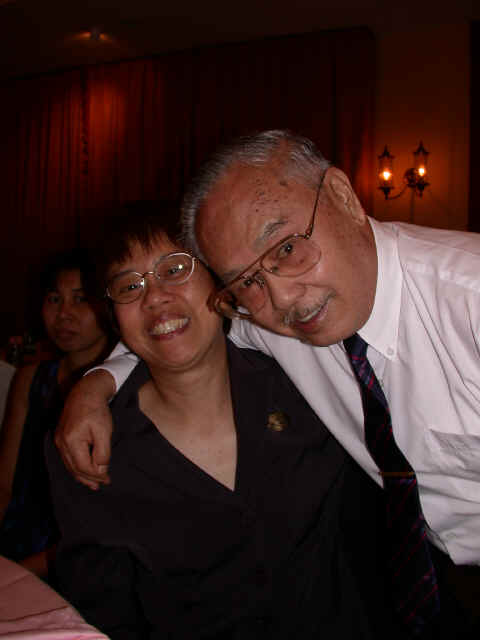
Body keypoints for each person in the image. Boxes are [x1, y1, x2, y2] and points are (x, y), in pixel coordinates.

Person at [55, 131, 480, 637]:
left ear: (342, 195)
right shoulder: (271, 320)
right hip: (436, 587)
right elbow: (172, 328)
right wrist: (97, 382)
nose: (281, 297)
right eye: (247, 279)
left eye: (288, 247)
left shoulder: (468, 305)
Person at [45, 212, 401, 640]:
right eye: (129, 287)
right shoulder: (89, 448)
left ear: (217, 281)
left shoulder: (303, 385)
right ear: (114, 315)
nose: (154, 297)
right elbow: (103, 611)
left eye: (175, 269)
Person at [0, 249, 113, 578]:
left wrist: (20, 573)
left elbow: (107, 523)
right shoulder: (31, 378)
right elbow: (5, 484)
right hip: (18, 534)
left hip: (78, 554)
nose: (64, 314)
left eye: (80, 299)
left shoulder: (118, 387)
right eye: (54, 299)